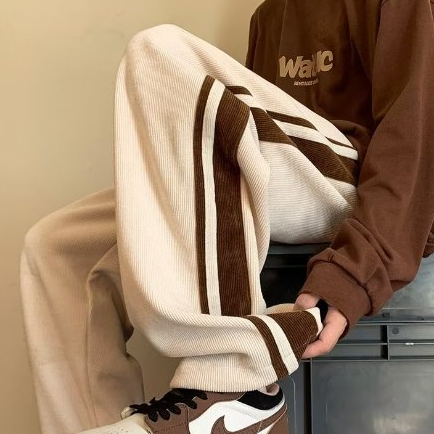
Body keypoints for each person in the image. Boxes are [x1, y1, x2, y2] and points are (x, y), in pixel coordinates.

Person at [20, 1, 434, 434]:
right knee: (58, 246)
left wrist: (356, 273)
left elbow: (419, 130)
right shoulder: (270, 15)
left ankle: (241, 393)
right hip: (297, 174)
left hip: (367, 184)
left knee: (159, 52)